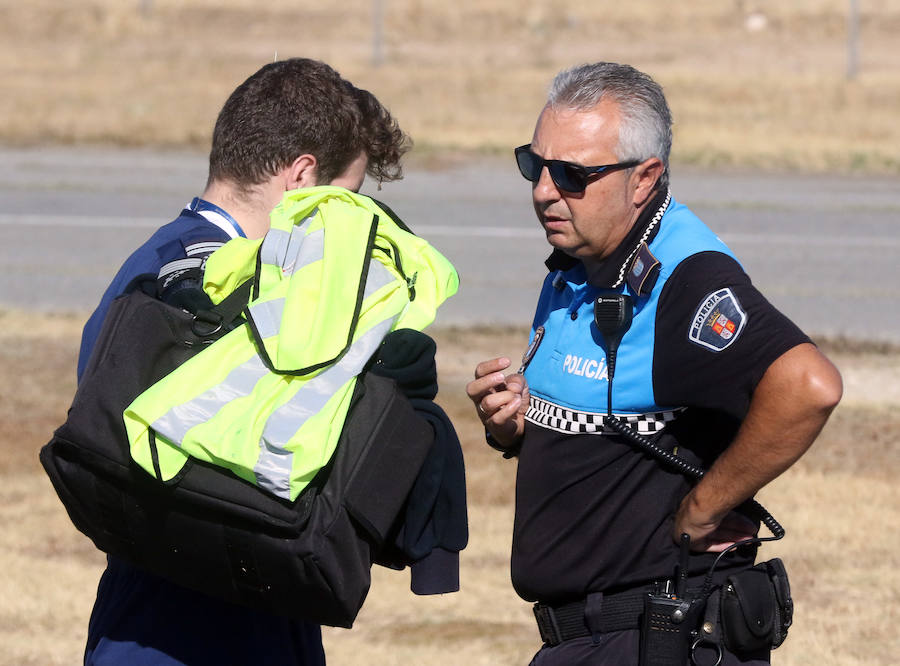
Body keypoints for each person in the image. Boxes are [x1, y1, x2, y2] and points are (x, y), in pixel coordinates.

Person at [77, 58, 465, 665]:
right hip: (191, 634)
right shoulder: (211, 284)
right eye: (349, 197)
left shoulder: (157, 264)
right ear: (303, 176)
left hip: (200, 620)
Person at [466, 62, 842, 665]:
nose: (543, 191)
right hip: (588, 637)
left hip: (656, 634)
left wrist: (705, 507)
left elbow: (809, 385)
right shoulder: (582, 258)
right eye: (535, 165)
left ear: (644, 179)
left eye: (573, 174)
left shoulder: (686, 279)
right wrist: (514, 427)